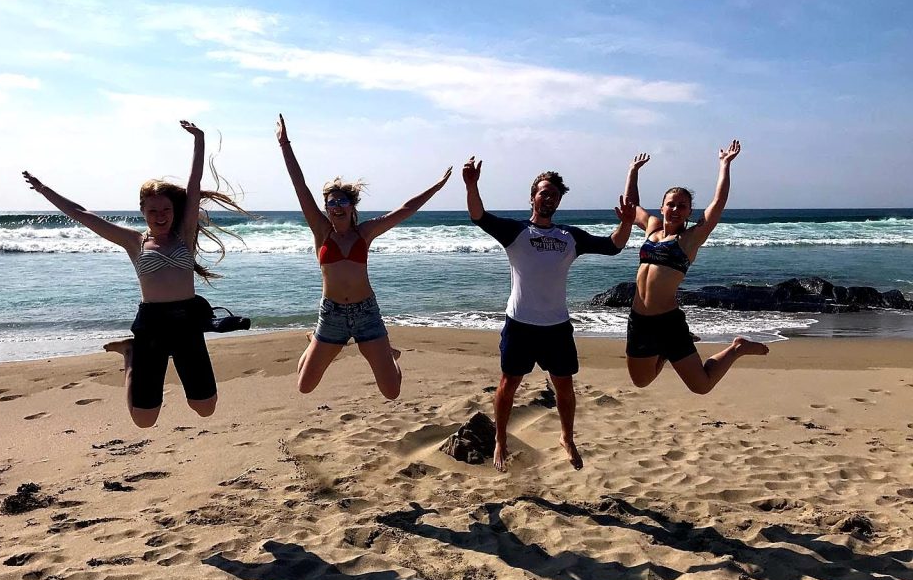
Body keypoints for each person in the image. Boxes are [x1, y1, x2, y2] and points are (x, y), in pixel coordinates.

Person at [22, 121, 247, 428]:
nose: (160, 216)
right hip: (152, 324)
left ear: (173, 209)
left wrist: (199, 140)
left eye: (165, 209)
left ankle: (134, 354)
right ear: (142, 211)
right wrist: (44, 189)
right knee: (144, 419)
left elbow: (193, 188)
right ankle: (130, 355)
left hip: (186, 322)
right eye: (153, 210)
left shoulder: (185, 234)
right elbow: (82, 214)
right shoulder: (133, 241)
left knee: (205, 407)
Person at [463, 156, 635, 472]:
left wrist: (626, 222)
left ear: (558, 201)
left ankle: (566, 437)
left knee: (565, 388)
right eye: (543, 192)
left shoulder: (570, 237)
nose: (549, 198)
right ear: (533, 197)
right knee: (507, 385)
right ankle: (500, 438)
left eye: (554, 194)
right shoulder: (515, 231)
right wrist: (472, 185)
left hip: (556, 327)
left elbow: (613, 247)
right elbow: (479, 216)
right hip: (520, 325)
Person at [276, 114, 451, 399]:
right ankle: (313, 342)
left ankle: (389, 354)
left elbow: (405, 210)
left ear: (351, 205)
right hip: (331, 314)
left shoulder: (365, 233)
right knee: (304, 385)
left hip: (366, 313)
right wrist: (285, 143)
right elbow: (300, 187)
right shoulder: (321, 231)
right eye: (331, 203)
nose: (335, 207)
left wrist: (437, 187)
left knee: (391, 391)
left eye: (341, 201)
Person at [622, 140, 768, 394]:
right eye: (671, 204)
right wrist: (633, 172)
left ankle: (737, 348)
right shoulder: (652, 227)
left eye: (682, 206)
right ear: (662, 207)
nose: (676, 209)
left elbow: (717, 203)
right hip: (639, 321)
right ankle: (666, 354)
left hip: (668, 323)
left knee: (701, 386)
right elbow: (631, 207)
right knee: (641, 381)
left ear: (689, 212)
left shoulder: (689, 239)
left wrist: (724, 165)